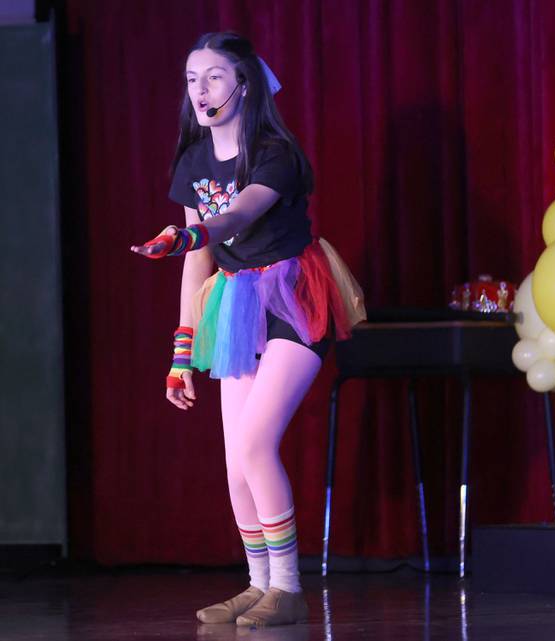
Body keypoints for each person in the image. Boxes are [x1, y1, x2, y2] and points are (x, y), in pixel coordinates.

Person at [131, 31, 365, 627]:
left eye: (213, 76)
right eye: (191, 78)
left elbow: (238, 213)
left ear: (243, 83)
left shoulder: (273, 153)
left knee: (258, 443)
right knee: (236, 460)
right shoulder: (192, 162)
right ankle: (259, 583)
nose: (200, 90)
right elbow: (197, 265)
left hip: (293, 296)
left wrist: (188, 233)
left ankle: (287, 587)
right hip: (234, 305)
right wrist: (181, 355)